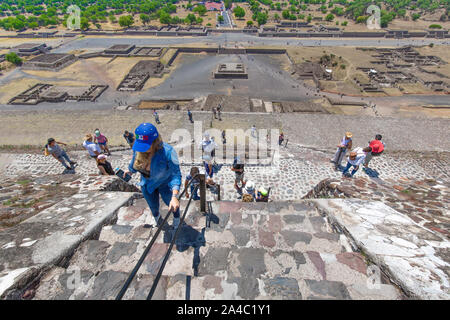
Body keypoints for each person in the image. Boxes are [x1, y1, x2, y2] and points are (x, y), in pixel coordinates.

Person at [126, 123, 182, 229]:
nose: (141, 149)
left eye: (145, 146)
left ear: (155, 142)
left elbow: (176, 175)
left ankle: (177, 219)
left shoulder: (169, 152)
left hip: (165, 185)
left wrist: (174, 196)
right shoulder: (138, 149)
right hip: (146, 185)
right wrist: (129, 171)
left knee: (173, 205)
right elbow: (134, 163)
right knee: (153, 206)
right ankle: (158, 220)